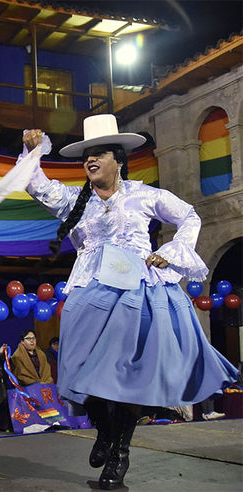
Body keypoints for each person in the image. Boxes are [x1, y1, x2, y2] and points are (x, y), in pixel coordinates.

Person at [18, 114, 238, 489]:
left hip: (135, 291)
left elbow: (189, 216)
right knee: (77, 368)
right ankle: (105, 431)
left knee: (124, 374)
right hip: (88, 290)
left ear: (118, 160)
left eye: (99, 153)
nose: (90, 160)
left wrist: (172, 251)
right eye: (86, 155)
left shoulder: (144, 195)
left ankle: (119, 451)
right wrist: (32, 150)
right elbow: (36, 186)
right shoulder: (76, 200)